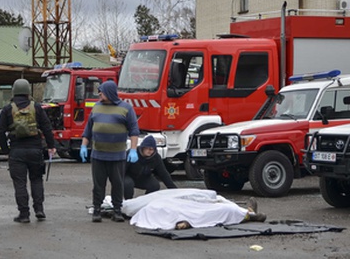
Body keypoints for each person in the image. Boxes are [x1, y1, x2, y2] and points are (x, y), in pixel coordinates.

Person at [0, 78, 56, 223]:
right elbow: (47, 127)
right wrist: (51, 146)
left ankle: (24, 214)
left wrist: (6, 150)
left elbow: (0, 131)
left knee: (20, 183)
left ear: (14, 91)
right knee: (36, 180)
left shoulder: (7, 109)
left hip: (16, 151)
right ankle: (39, 210)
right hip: (35, 149)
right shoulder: (36, 107)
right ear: (28, 91)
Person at [80, 80, 140, 223]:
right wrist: (84, 146)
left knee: (118, 184)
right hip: (98, 155)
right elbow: (88, 130)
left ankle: (117, 211)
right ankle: (97, 210)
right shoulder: (96, 107)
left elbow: (134, 130)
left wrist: (133, 150)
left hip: (117, 155)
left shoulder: (126, 108)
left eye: (102, 91)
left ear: (110, 92)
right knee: (98, 184)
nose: (99, 93)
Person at [120, 188, 267, 230]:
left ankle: (248, 212)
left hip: (178, 204)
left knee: (217, 204)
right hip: (179, 210)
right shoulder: (149, 208)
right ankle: (249, 214)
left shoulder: (152, 204)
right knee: (222, 210)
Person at [124, 135, 177, 199]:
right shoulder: (132, 153)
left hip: (144, 177)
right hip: (129, 176)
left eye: (152, 149)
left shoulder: (156, 157)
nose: (150, 151)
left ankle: (145, 200)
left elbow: (163, 174)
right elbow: (121, 169)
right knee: (128, 184)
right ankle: (128, 201)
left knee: (155, 185)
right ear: (143, 147)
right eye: (148, 148)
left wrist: (175, 190)